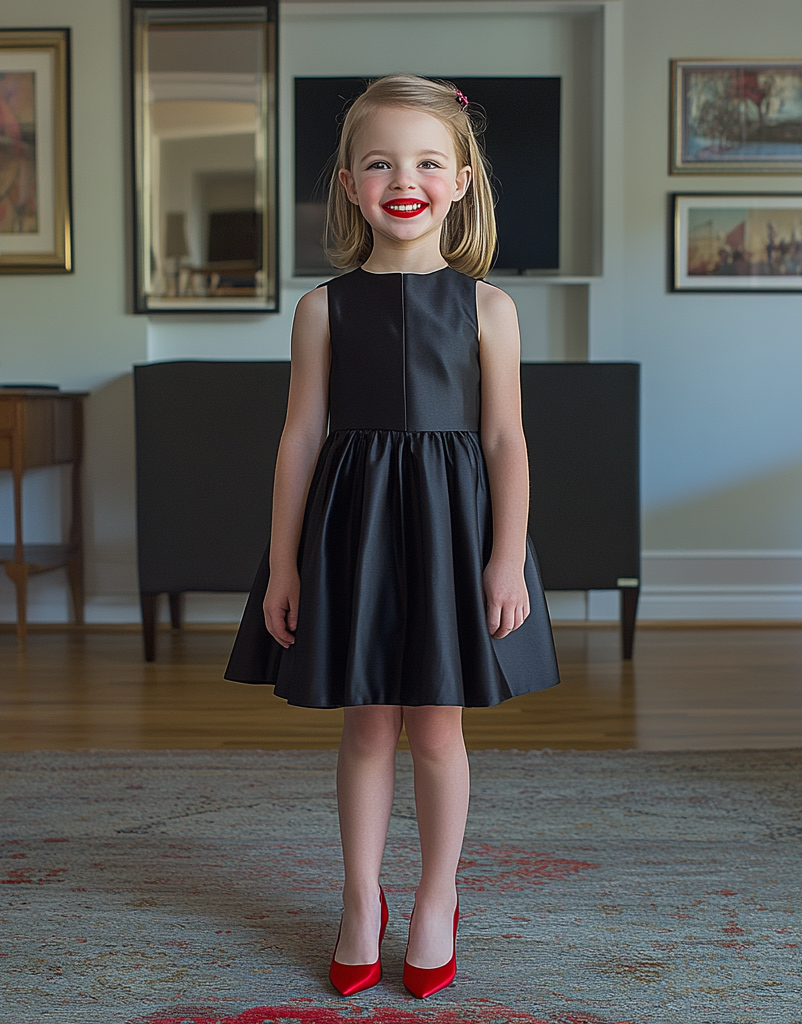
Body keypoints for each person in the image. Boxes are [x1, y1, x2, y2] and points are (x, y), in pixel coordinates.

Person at [225, 74, 560, 999]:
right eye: (380, 162)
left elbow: (505, 439)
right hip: (358, 528)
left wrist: (505, 555)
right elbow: (299, 439)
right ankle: (360, 897)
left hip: (456, 528)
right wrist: (284, 563)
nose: (401, 178)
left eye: (424, 161)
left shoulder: (490, 308)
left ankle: (436, 900)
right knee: (368, 722)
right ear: (347, 182)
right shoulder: (323, 308)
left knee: (438, 730)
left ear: (459, 179)